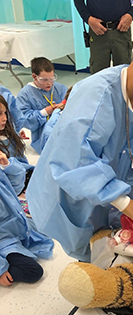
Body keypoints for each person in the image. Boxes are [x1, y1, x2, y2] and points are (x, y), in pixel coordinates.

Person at [26, 22, 133, 262]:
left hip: (111, 202)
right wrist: (124, 201)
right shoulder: (96, 96)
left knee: (108, 254)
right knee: (90, 257)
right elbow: (73, 162)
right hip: (74, 198)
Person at [0, 150, 54, 287]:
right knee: (33, 272)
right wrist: (1, 269)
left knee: (49, 228)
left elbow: (16, 187)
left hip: (16, 228)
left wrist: (7, 165)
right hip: (3, 239)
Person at [74, 0, 133, 74]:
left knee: (123, 74)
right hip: (98, 31)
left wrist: (131, 15)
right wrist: (88, 19)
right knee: (98, 75)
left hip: (121, 30)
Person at [16, 57, 68, 155]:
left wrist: (63, 106)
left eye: (52, 78)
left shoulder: (59, 88)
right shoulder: (25, 94)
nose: (49, 83)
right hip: (42, 137)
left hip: (64, 131)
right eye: (44, 80)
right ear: (34, 77)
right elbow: (24, 120)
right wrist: (44, 112)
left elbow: (73, 103)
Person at [0, 95, 34, 195]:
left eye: (5, 113)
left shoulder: (8, 133)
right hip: (14, 187)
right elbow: (10, 191)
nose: (5, 118)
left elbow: (22, 160)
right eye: (0, 114)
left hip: (23, 179)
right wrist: (8, 166)